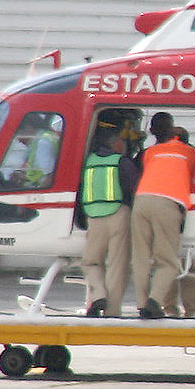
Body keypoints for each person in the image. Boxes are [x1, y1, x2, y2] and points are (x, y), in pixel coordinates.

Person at [129, 125, 195, 320]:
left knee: (141, 257)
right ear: (184, 140)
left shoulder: (151, 152)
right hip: (168, 202)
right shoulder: (190, 153)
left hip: (141, 201)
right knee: (167, 261)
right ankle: (155, 301)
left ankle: (141, 304)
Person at [79, 126, 140, 317]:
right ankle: (112, 312)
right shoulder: (121, 161)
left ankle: (97, 296)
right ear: (115, 143)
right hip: (118, 215)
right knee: (117, 265)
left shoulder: (88, 162)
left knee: (90, 262)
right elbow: (133, 190)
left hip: (93, 217)